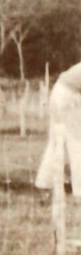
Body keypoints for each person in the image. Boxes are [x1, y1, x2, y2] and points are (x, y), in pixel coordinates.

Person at [35, 61, 81, 193]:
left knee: (56, 141)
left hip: (59, 92)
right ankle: (79, 189)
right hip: (69, 95)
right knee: (77, 142)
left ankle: (45, 182)